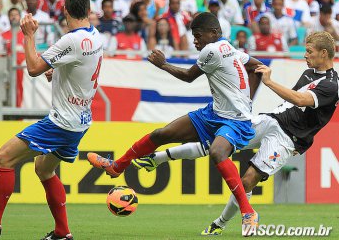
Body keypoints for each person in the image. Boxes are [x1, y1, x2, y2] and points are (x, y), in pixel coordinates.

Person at [132, 31, 339, 236]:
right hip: (272, 120)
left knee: (247, 180)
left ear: (323, 53)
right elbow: (292, 105)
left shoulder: (332, 85)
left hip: (287, 138)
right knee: (219, 142)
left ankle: (220, 223)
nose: (305, 55)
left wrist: (268, 82)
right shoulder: (309, 73)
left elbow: (300, 100)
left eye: (309, 52)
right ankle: (157, 159)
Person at [88, 12, 262, 235]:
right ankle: (117, 166)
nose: (195, 41)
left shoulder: (213, 49)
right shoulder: (231, 49)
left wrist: (162, 64)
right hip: (214, 113)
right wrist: (248, 99)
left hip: (235, 120)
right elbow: (258, 67)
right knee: (162, 134)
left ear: (214, 33)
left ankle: (248, 211)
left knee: (218, 153)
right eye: (193, 36)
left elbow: (189, 76)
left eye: (198, 36)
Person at [0, 0, 103, 239]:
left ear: (66, 11)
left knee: (4, 157)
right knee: (43, 168)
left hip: (61, 122)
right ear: (88, 11)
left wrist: (28, 35)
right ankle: (62, 232)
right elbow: (78, 67)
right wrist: (57, 74)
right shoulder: (95, 36)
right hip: (80, 122)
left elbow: (34, 68)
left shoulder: (71, 40)